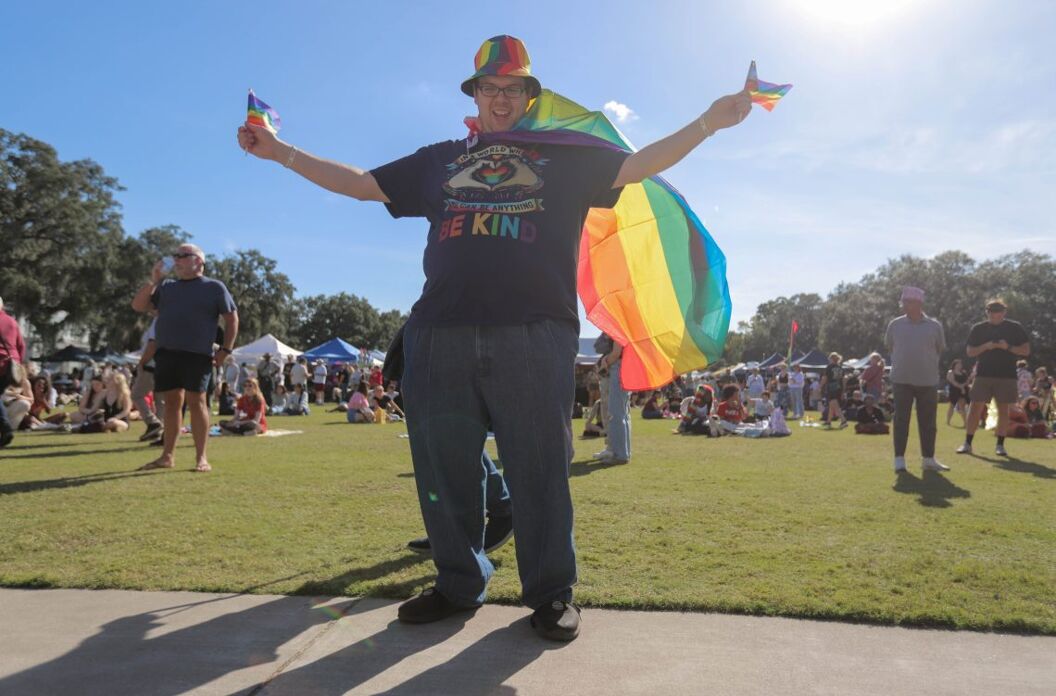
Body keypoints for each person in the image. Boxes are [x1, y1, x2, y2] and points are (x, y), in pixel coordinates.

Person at [237, 33, 751, 642]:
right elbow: (361, 184)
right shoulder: (441, 158)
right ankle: (458, 583)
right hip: (440, 330)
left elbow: (639, 165)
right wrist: (280, 152)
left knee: (539, 468)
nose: (501, 98)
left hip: (534, 331)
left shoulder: (567, 156)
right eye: (490, 88)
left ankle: (552, 594)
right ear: (475, 93)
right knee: (444, 467)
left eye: (512, 89)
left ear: (528, 96)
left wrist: (707, 123)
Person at [131, 243, 239, 472]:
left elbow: (231, 319)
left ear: (199, 261)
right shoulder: (167, 287)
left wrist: (225, 351)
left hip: (197, 354)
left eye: (182, 255)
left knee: (197, 402)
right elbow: (138, 305)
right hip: (167, 353)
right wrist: (154, 279)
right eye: (175, 255)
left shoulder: (214, 287)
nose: (176, 259)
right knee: (171, 404)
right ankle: (167, 456)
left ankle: (201, 458)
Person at [883, 286, 947, 474]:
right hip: (901, 379)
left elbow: (939, 349)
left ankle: (928, 459)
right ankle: (899, 459)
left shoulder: (935, 326)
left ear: (918, 303)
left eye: (907, 302)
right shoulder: (895, 324)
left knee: (928, 422)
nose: (903, 305)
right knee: (901, 419)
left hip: (928, 380)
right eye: (903, 301)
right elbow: (890, 347)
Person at [957, 299, 1030, 457]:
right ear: (987, 312)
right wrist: (986, 346)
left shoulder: (1014, 327)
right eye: (991, 312)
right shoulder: (978, 328)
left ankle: (1000, 445)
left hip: (1007, 375)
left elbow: (1025, 350)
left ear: (1004, 312)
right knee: (975, 407)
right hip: (983, 374)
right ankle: (967, 443)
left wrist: (1007, 347)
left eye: (998, 312)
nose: (995, 315)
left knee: (1004, 409)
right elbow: (970, 352)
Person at [131, 317, 165, 442]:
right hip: (163, 365)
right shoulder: (169, 317)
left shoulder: (158, 320)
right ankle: (158, 432)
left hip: (151, 365)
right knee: (160, 400)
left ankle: (153, 422)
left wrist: (142, 363)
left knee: (136, 395)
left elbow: (152, 344)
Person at [0, 296, 28, 448]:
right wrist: (18, 363)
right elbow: (21, 345)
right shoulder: (11, 321)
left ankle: (6, 429)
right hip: (11, 365)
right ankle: (5, 429)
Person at [820, 353, 848, 429]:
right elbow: (844, 380)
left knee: (835, 405)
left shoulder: (829, 367)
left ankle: (843, 421)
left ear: (831, 359)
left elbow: (825, 378)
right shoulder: (841, 368)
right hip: (839, 388)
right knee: (831, 405)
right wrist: (843, 390)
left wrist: (820, 386)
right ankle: (828, 421)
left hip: (831, 387)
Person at [945, 358, 969, 427]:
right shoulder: (950, 372)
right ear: (954, 365)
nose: (960, 365)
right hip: (954, 391)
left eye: (960, 364)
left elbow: (967, 381)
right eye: (958, 364)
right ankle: (948, 422)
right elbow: (952, 381)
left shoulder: (963, 372)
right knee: (951, 406)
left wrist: (963, 387)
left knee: (962, 407)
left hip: (963, 391)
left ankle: (965, 423)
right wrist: (961, 387)